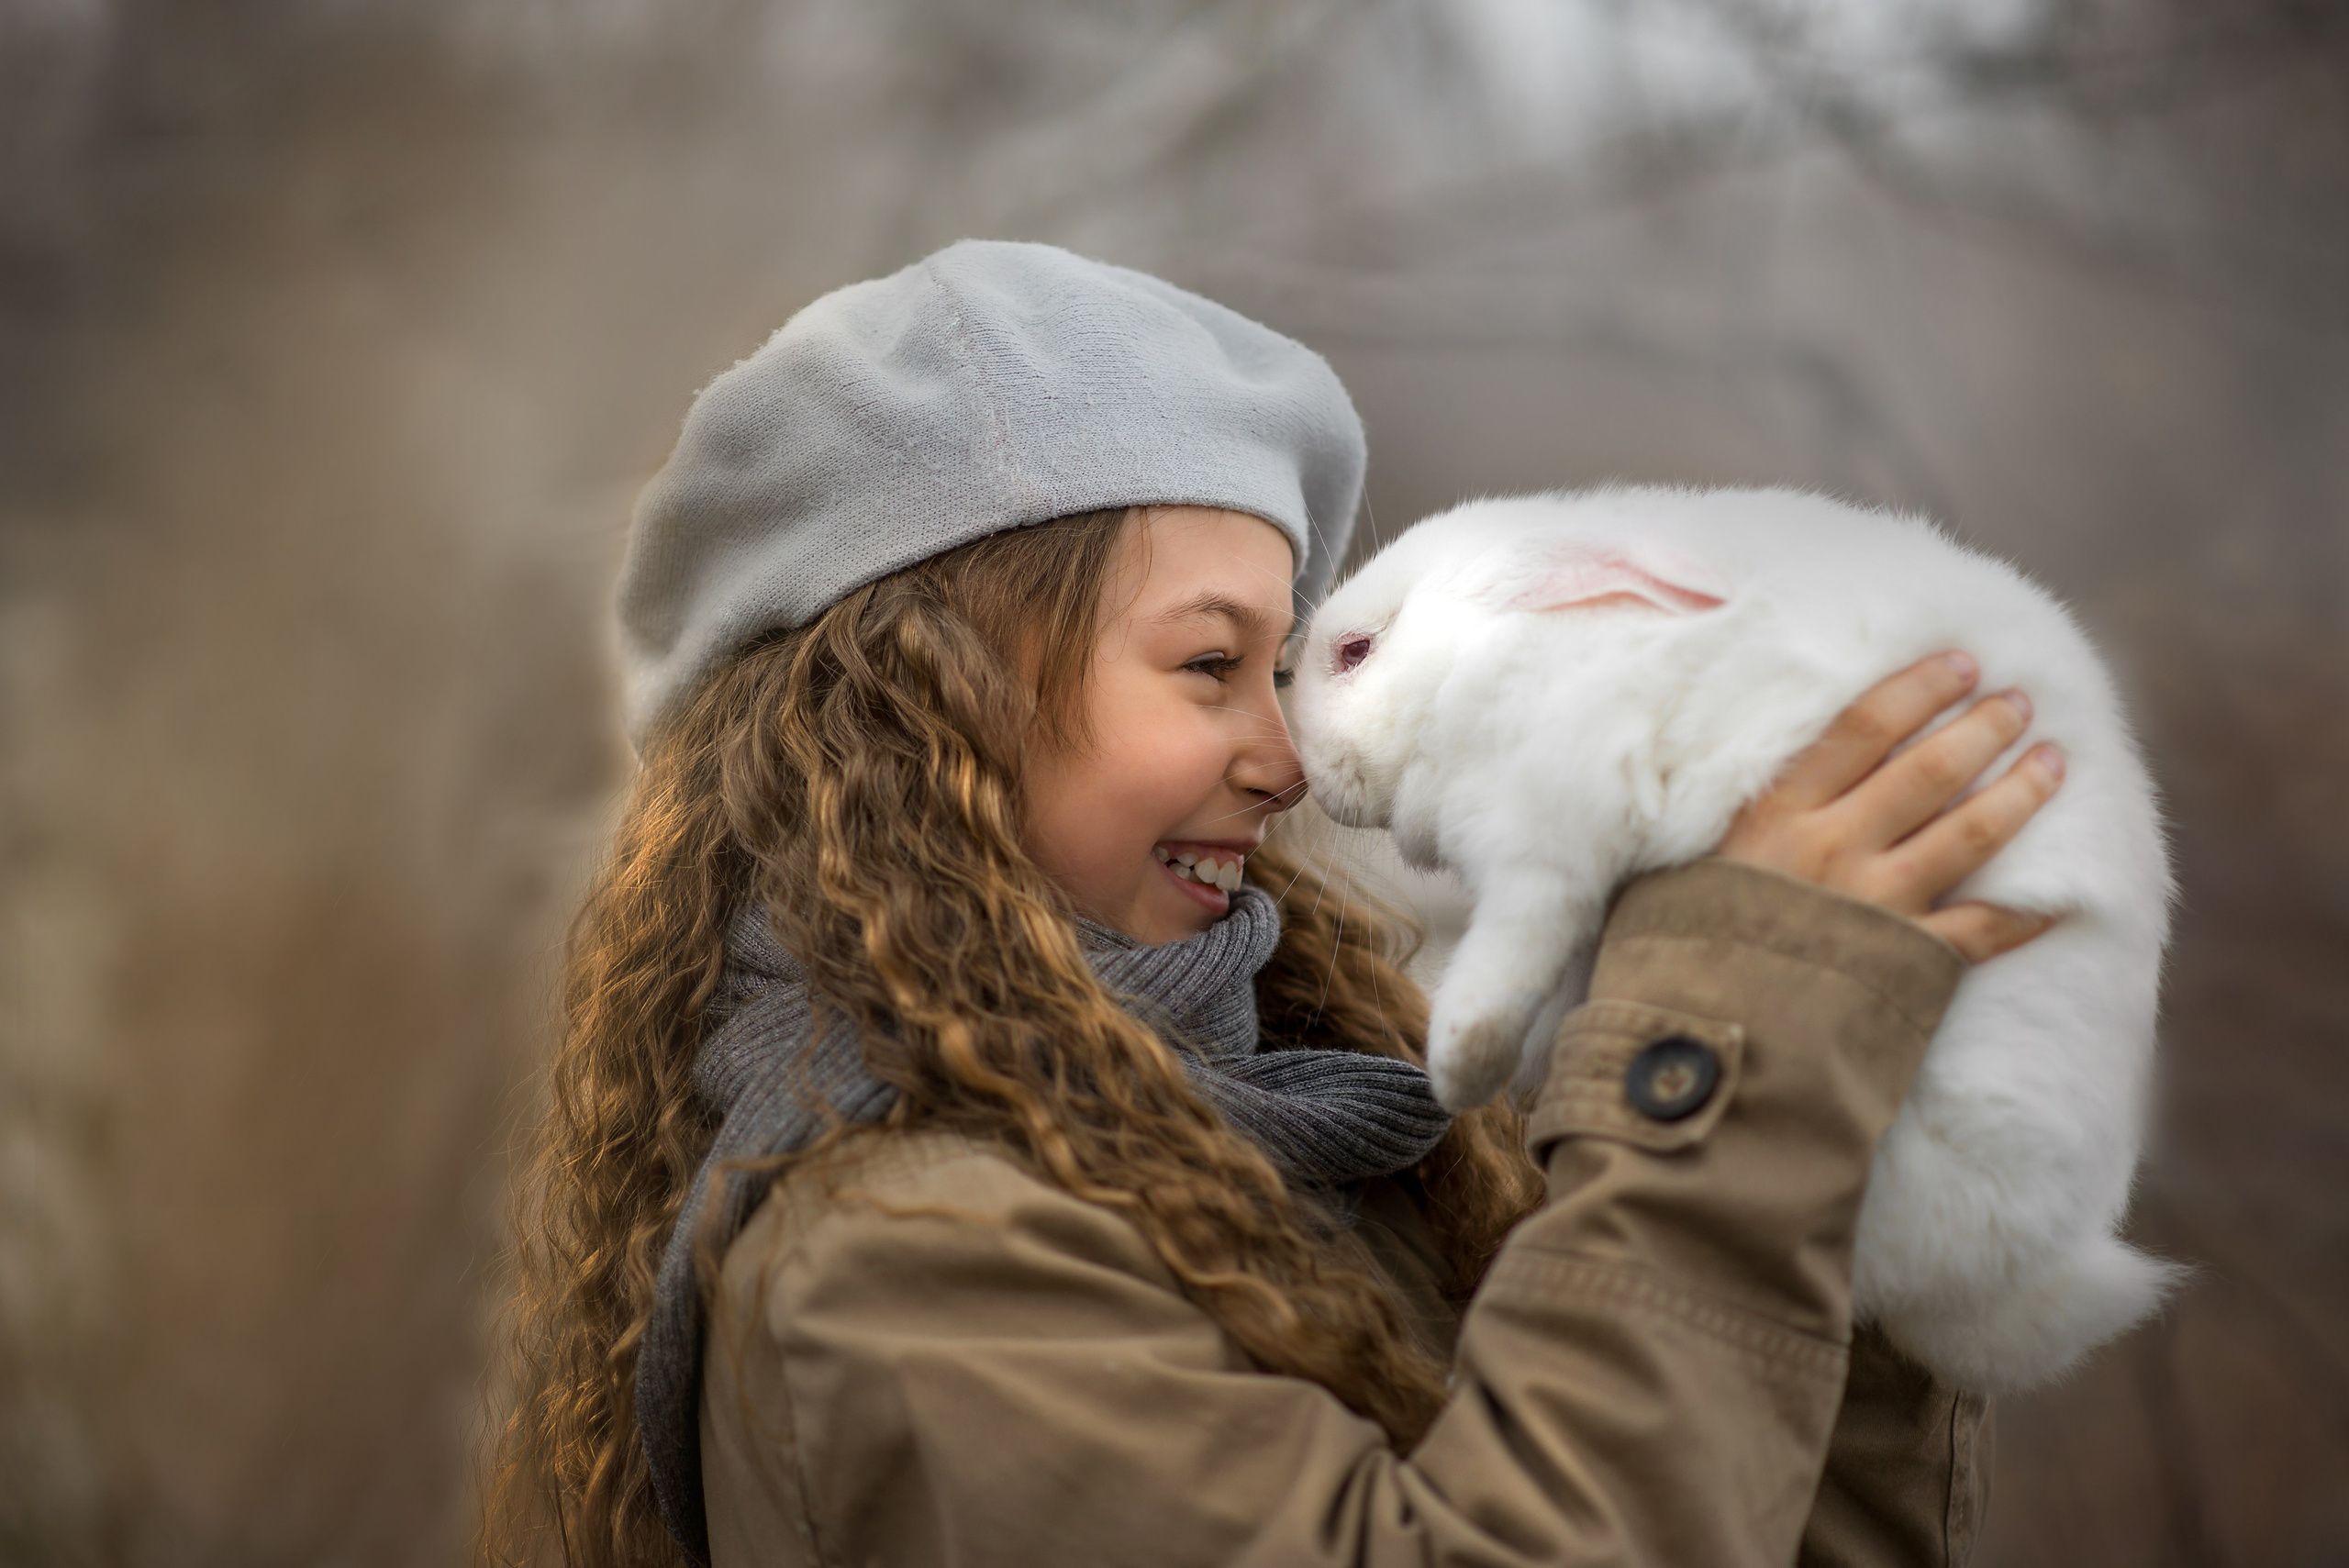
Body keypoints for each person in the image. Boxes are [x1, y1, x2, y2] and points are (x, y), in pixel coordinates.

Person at [484, 240, 2064, 1568]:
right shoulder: (897, 1263)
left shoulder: (1314, 1130)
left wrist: (1849, 1151)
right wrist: (1727, 1054)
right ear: (923, 706)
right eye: (1208, 665)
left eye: (1287, 665)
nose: (1286, 755)